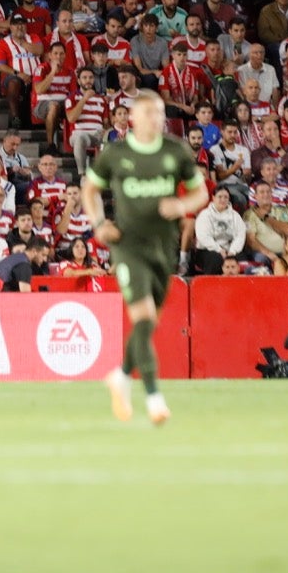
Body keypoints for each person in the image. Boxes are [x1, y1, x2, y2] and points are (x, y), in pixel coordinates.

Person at [84, 91, 209, 426]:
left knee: (148, 321)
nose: (154, 119)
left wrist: (182, 206)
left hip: (163, 246)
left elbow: (201, 192)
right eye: (147, 113)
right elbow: (90, 189)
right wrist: (99, 224)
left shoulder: (175, 151)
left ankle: (122, 376)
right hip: (128, 245)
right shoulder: (116, 153)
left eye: (158, 113)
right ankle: (154, 399)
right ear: (132, 119)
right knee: (142, 317)